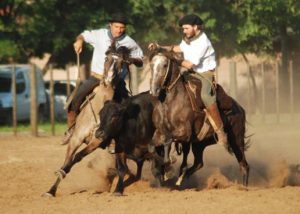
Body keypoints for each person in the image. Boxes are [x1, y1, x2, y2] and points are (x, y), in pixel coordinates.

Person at [63, 12, 144, 143]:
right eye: (116, 26)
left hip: (116, 82)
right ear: (110, 25)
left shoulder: (129, 42)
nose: (119, 30)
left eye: (122, 27)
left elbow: (140, 60)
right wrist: (79, 41)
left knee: (128, 107)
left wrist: (129, 59)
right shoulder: (100, 34)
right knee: (73, 99)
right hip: (97, 77)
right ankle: (71, 129)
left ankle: (122, 137)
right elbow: (83, 34)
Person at [148, 14, 227, 146]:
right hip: (191, 73)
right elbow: (179, 48)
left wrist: (172, 57)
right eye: (183, 29)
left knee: (206, 96)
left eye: (186, 28)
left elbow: (190, 64)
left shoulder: (204, 42)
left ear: (195, 27)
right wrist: (160, 48)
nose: (184, 31)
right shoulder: (189, 38)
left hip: (205, 75)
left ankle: (220, 130)